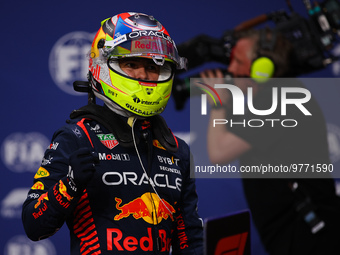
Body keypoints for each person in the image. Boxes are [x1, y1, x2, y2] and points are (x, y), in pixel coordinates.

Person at [22, 12, 203, 255]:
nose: (143, 75)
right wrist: (70, 184)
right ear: (103, 67)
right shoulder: (76, 138)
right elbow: (34, 226)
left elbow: (189, 239)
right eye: (131, 64)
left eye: (153, 67)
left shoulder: (176, 149)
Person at [200, 28, 340, 255]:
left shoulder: (283, 99)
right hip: (302, 235)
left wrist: (218, 102)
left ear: (261, 68)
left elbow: (219, 152)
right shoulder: (275, 98)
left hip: (313, 236)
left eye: (238, 61)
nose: (231, 69)